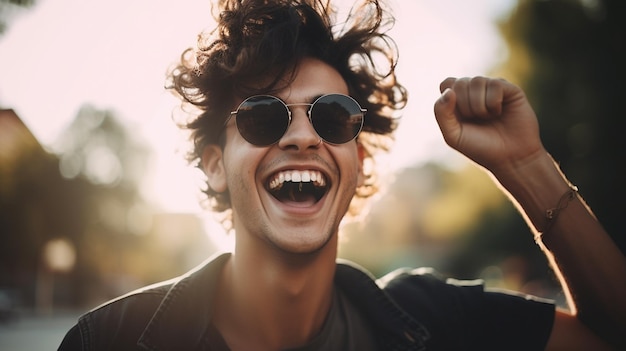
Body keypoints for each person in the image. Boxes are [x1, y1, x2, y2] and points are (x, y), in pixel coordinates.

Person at [58, 0, 626, 350]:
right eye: (263, 117)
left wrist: (527, 167)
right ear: (214, 166)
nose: (303, 136)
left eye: (332, 117)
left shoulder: (446, 324)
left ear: (360, 160)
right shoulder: (107, 343)